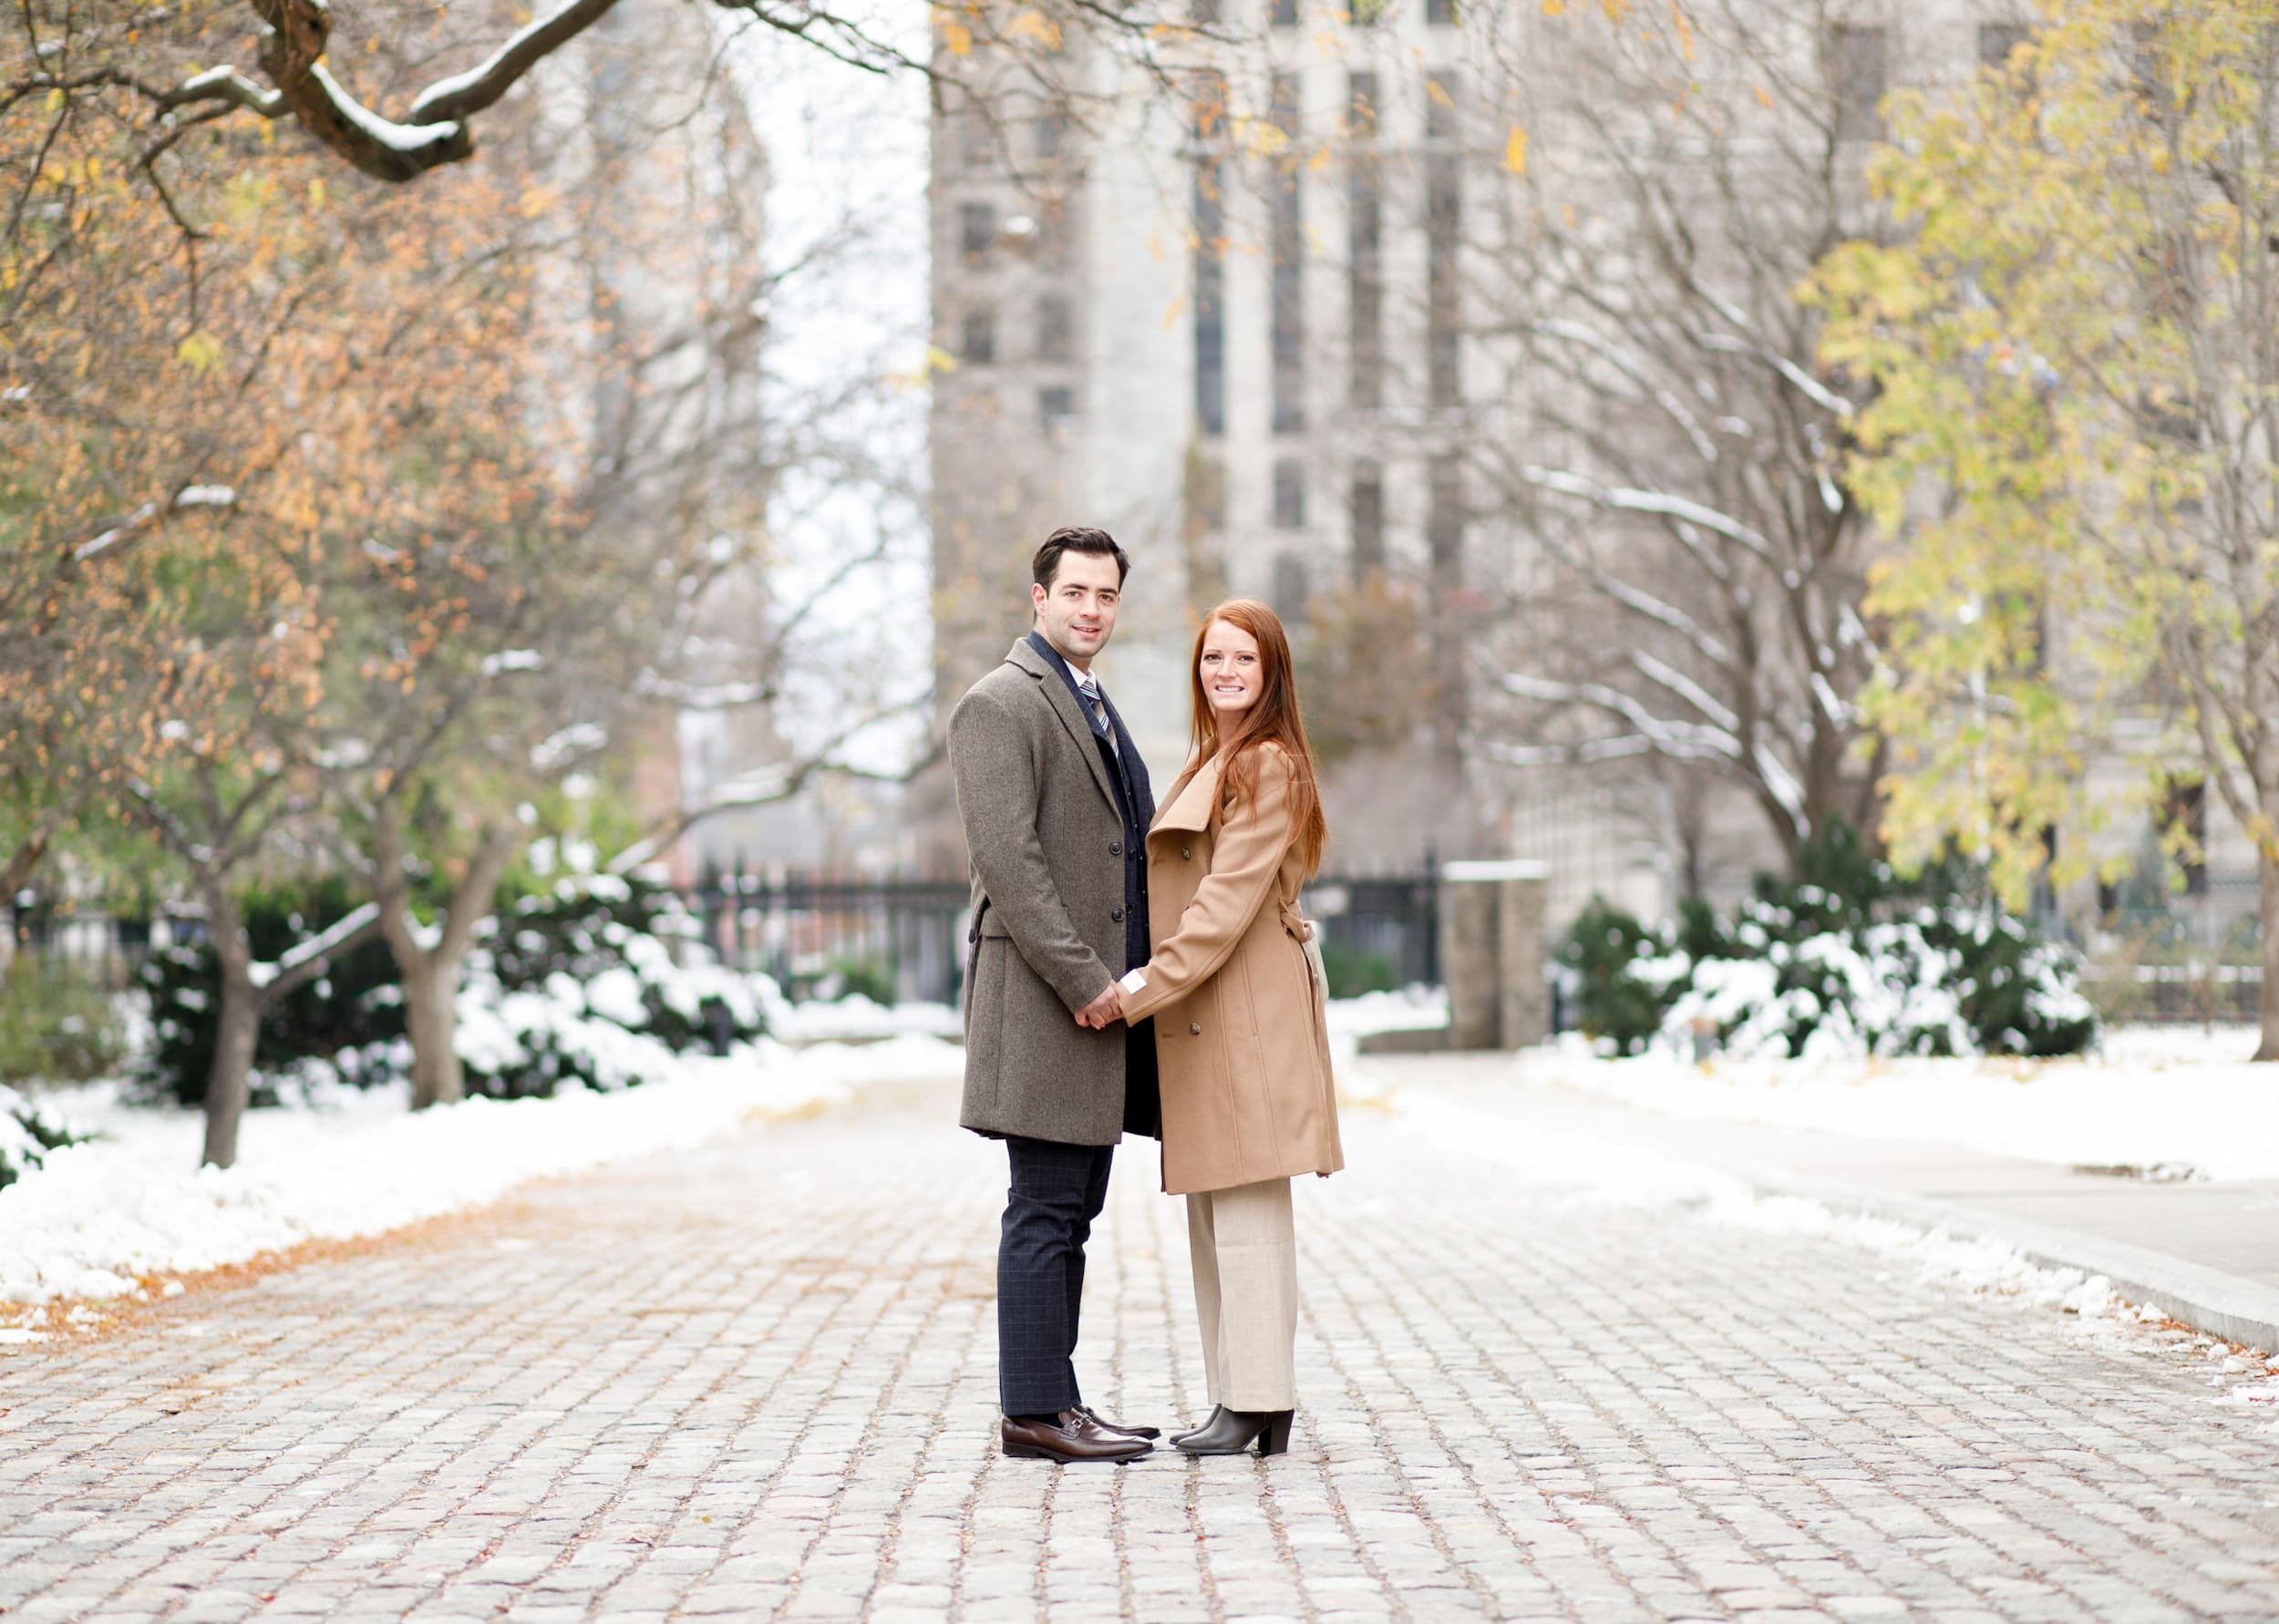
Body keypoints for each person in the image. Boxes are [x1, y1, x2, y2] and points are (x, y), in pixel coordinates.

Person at [1080, 598, 1342, 1458]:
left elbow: (1224, 906)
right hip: (1214, 1009)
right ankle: (1244, 1399)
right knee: (1216, 1209)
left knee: (1250, 1208)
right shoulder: (1220, 757)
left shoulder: (1267, 764)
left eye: (1243, 661)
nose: (1224, 673)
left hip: (1245, 1007)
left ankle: (1259, 1401)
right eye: (1212, 659)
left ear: (1272, 674)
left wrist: (1142, 988)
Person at [946, 527, 1164, 1465]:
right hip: (1048, 1003)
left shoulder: (1088, 699)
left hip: (1093, 1008)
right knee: (1042, 1208)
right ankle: (1033, 1413)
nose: (1091, 609)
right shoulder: (1000, 703)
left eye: (1106, 595)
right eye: (1074, 592)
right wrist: (1087, 981)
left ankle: (1057, 1399)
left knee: (1071, 1209)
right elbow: (1010, 862)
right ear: (1036, 597)